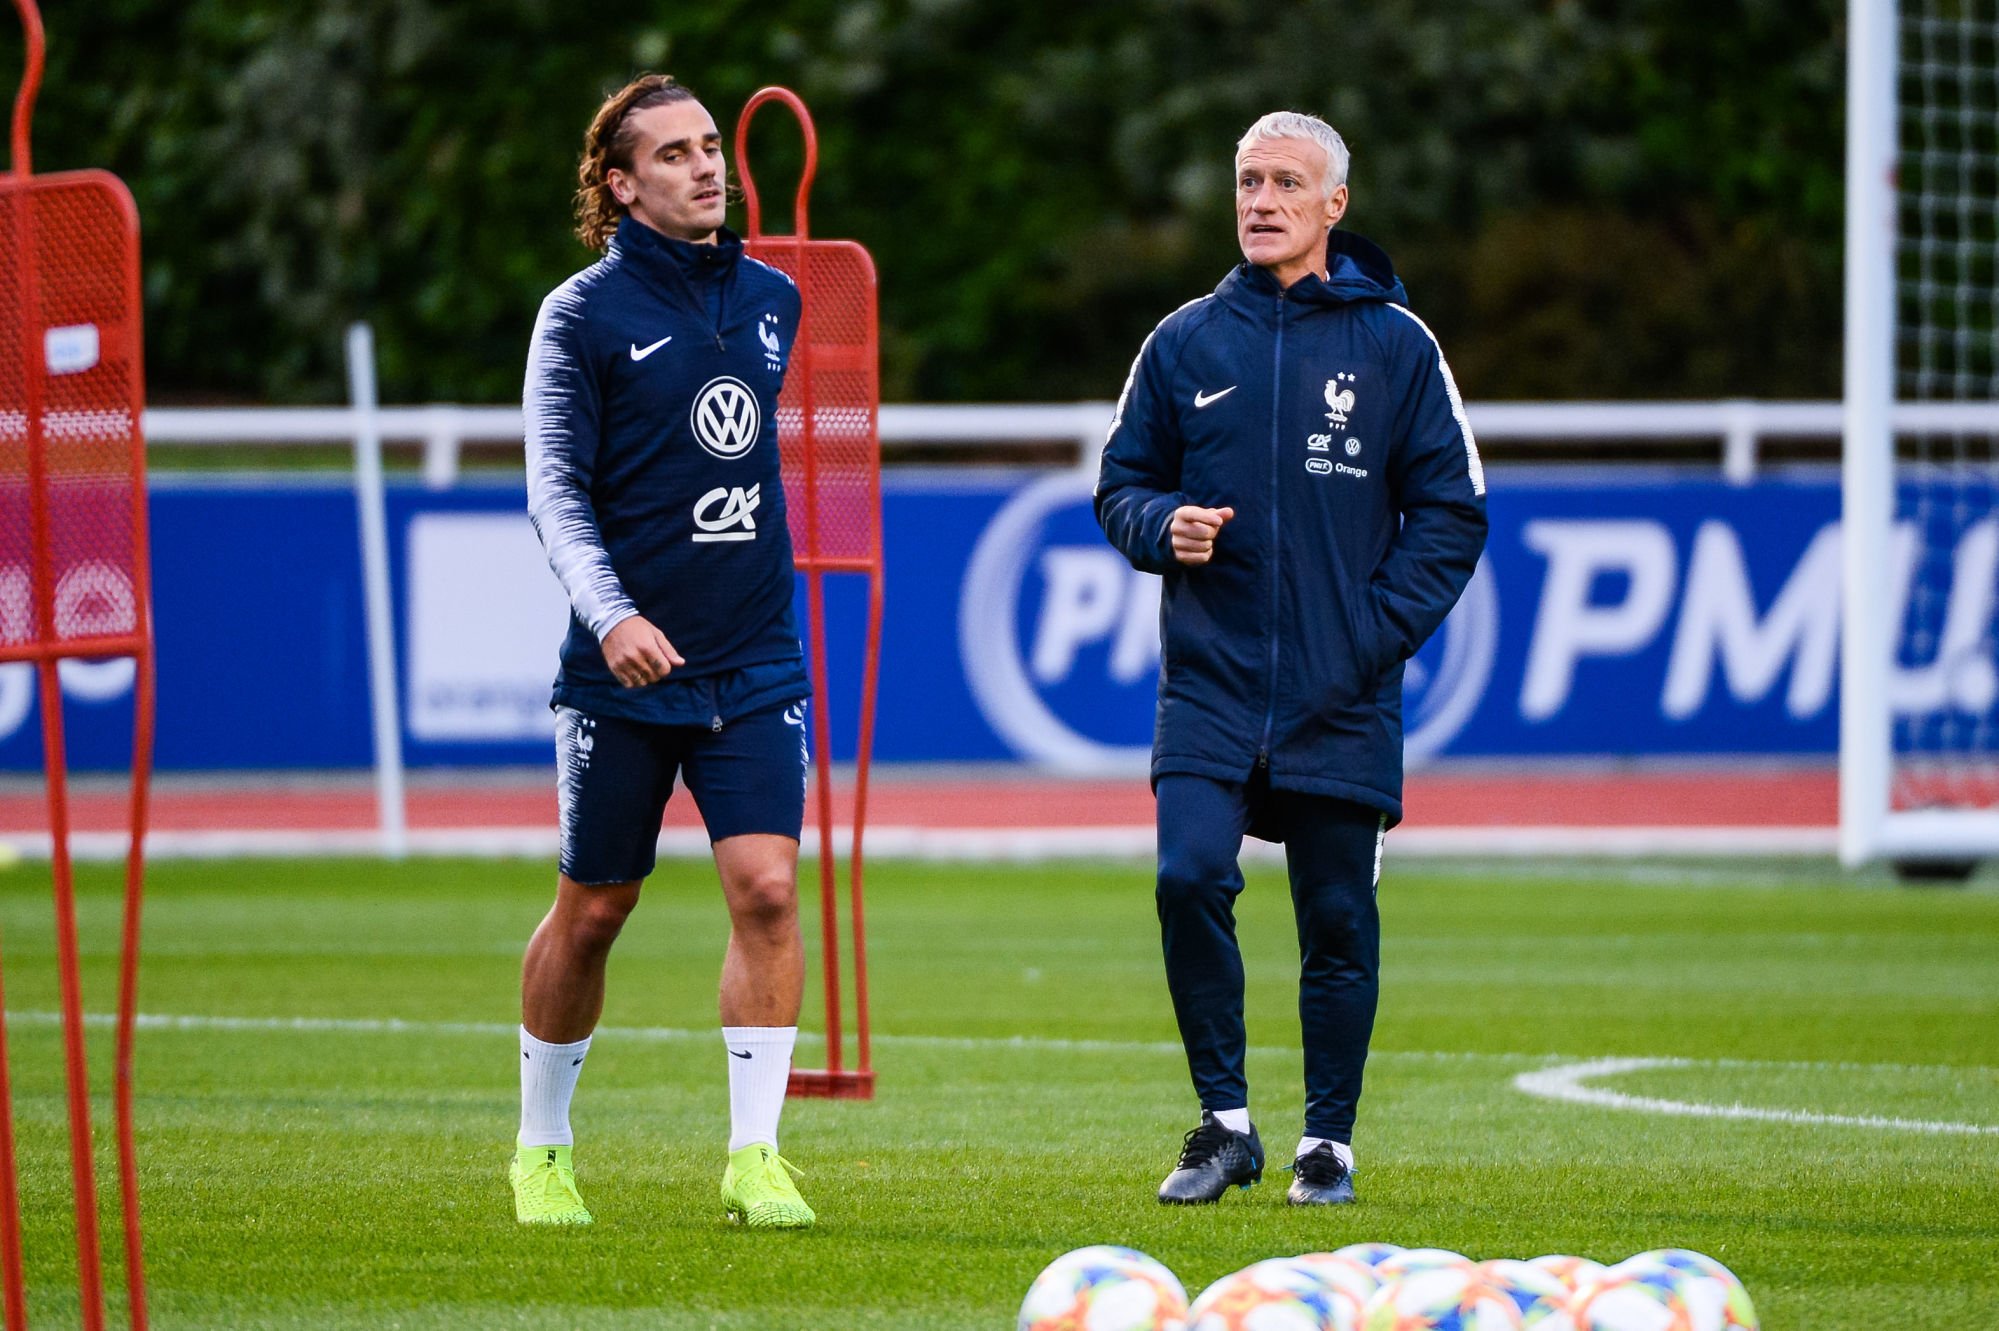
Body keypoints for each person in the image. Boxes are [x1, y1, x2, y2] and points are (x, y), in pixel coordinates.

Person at [1095, 110, 1487, 1206]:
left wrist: (1366, 635)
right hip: (1210, 683)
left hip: (1340, 690)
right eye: (1247, 181)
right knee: (1186, 878)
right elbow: (1119, 482)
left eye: (1284, 183)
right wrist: (1157, 524)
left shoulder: (1397, 347)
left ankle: (1327, 1142)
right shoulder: (1184, 342)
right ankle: (1223, 1126)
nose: (1260, 200)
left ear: (1333, 207)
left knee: (1335, 916)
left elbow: (1453, 513)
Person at [511, 73, 816, 1230]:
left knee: (770, 891)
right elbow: (554, 489)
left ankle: (755, 1155)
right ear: (619, 182)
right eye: (676, 154)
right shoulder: (578, 315)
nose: (706, 167)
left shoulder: (775, 298)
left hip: (753, 656)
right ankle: (542, 1147)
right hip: (620, 669)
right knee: (595, 909)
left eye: (709, 148)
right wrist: (612, 613)